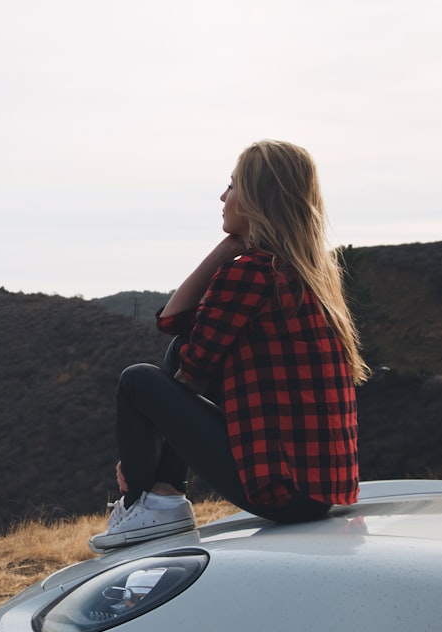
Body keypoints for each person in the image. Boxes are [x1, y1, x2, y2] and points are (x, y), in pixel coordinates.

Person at [90, 139, 370, 553]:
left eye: (233, 186)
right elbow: (178, 327)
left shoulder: (254, 273)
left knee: (137, 382)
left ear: (256, 198)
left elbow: (185, 361)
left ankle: (144, 503)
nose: (223, 197)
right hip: (323, 489)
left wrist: (141, 450)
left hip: (282, 491)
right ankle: (161, 497)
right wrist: (228, 248)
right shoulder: (308, 275)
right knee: (179, 349)